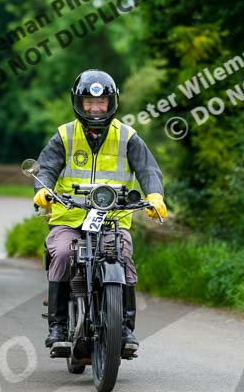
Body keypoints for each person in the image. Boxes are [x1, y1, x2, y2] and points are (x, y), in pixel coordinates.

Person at [33, 69, 167, 352]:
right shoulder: (64, 135)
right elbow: (45, 169)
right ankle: (57, 327)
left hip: (112, 220)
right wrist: (43, 191)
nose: (95, 108)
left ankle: (124, 329)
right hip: (68, 218)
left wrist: (154, 196)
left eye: (101, 102)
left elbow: (148, 169)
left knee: (122, 254)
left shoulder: (128, 137)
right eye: (89, 103)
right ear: (79, 103)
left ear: (111, 102)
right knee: (64, 253)